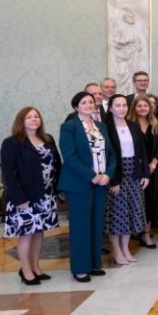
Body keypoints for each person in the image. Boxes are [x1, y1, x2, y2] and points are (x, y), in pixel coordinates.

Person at [58, 91, 116, 282]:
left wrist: (108, 174)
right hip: (79, 183)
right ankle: (80, 268)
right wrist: (92, 176)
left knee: (96, 223)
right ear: (76, 106)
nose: (89, 105)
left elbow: (111, 154)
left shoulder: (101, 126)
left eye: (91, 102)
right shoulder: (69, 127)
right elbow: (70, 156)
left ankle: (94, 264)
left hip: (101, 183)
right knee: (80, 225)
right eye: (84, 102)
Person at [1, 107, 62, 285]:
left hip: (46, 195)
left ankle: (35, 267)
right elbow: (9, 173)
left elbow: (57, 164)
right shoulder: (12, 142)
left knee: (39, 232)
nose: (34, 119)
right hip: (25, 197)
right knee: (26, 234)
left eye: (36, 116)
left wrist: (58, 189)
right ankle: (26, 270)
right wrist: (19, 198)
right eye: (29, 117)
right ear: (21, 121)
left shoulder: (47, 139)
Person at [105, 94, 150, 265]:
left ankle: (126, 248)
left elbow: (142, 151)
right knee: (117, 214)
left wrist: (145, 173)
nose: (122, 108)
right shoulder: (106, 128)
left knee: (131, 212)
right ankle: (116, 250)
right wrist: (113, 180)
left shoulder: (133, 125)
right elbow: (107, 156)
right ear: (111, 108)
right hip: (116, 174)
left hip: (134, 173)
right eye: (118, 105)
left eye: (124, 105)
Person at [128, 95, 158, 247]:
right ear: (134, 108)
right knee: (136, 202)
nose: (143, 108)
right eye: (139, 106)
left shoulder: (155, 124)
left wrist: (154, 164)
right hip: (135, 170)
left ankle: (146, 234)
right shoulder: (129, 125)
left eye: (146, 106)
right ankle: (134, 231)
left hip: (152, 170)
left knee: (150, 202)